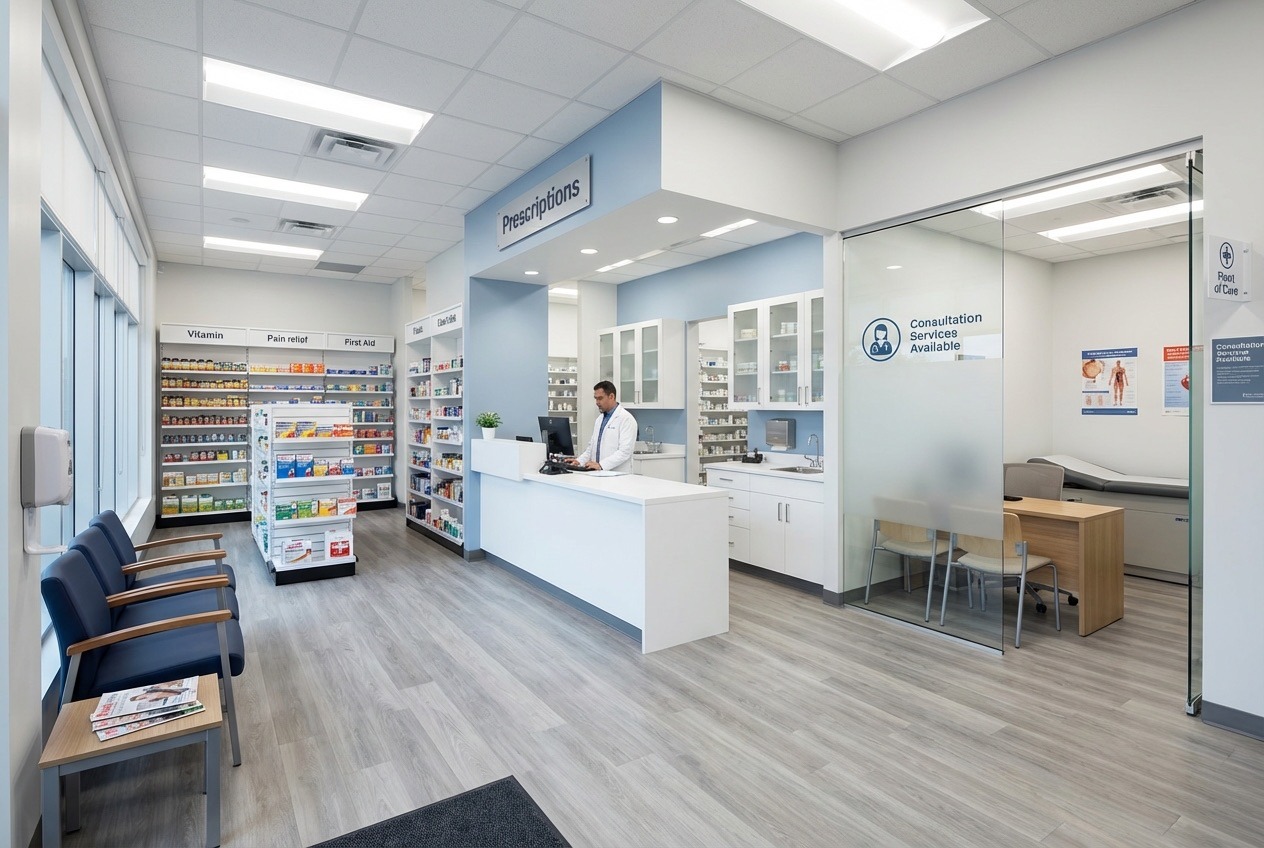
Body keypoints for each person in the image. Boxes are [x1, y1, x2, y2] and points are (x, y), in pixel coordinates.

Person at [568, 381, 636, 473]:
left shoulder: (626, 419)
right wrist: (579, 461)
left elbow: (625, 452)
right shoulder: (599, 419)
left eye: (600, 398)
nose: (597, 402)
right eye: (596, 399)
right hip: (599, 473)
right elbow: (592, 448)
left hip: (617, 475)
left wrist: (601, 465)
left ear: (611, 396)